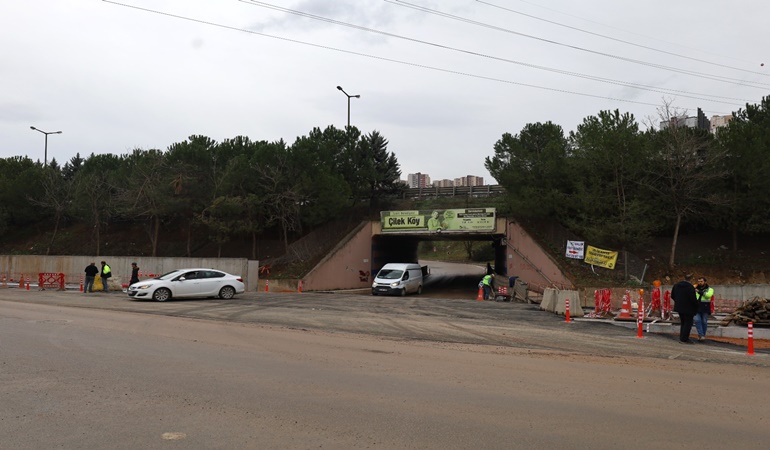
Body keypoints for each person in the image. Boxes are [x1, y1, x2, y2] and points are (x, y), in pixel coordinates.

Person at [671, 273, 698, 344]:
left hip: (679, 307)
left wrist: (678, 301)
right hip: (689, 308)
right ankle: (684, 338)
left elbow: (672, 295)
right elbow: (693, 298)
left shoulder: (676, 286)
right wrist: (696, 305)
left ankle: (682, 337)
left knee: (683, 322)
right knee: (688, 323)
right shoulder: (690, 287)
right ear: (691, 279)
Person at [694, 276, 715, 341]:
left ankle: (702, 335)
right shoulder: (694, 288)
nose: (700, 283)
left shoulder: (710, 289)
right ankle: (701, 335)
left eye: (701, 281)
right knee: (697, 321)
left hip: (705, 308)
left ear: (705, 282)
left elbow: (708, 295)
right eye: (699, 281)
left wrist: (699, 292)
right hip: (696, 307)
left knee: (704, 322)